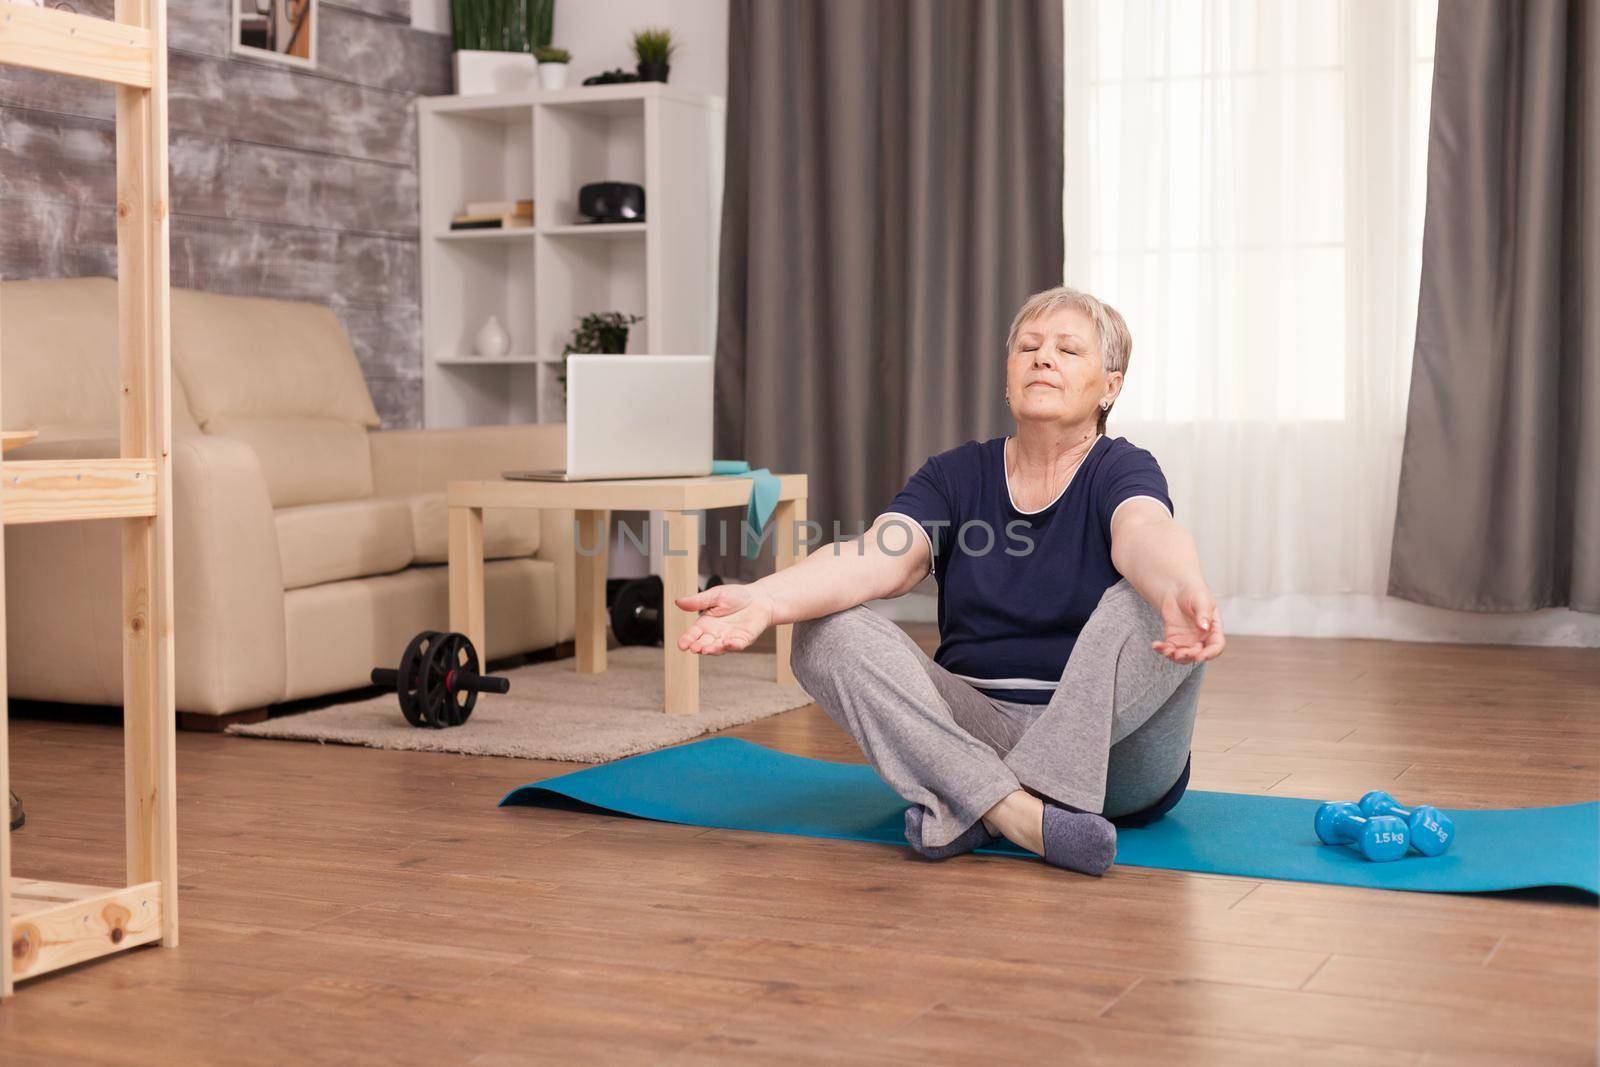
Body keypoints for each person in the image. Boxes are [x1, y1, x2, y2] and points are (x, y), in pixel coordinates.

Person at [674, 286, 1225, 876]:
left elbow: (1146, 532)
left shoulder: (1121, 468)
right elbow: (876, 555)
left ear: (1109, 388)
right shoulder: (956, 475)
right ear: (1007, 377)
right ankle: (1018, 814)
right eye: (1029, 347)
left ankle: (974, 804)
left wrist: (1179, 586)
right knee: (823, 629)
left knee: (1152, 602)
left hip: (1113, 757)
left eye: (1068, 350)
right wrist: (764, 598)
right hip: (979, 729)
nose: (1043, 358)